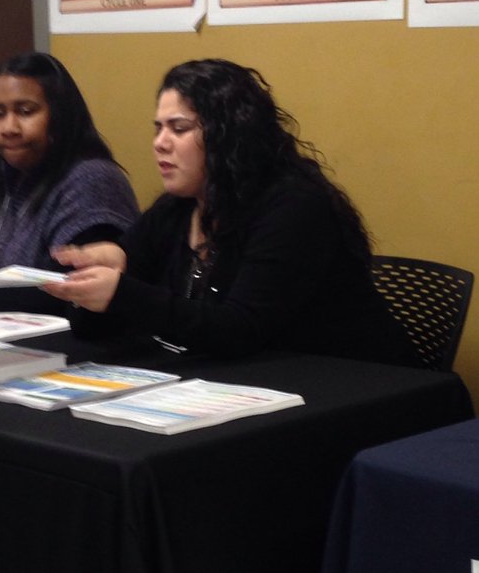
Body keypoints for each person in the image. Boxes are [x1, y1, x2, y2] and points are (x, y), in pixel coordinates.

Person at [45, 58, 419, 365]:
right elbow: (92, 331)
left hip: (350, 388)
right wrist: (100, 282)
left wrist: (124, 294)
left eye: (179, 128)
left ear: (228, 135)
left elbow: (240, 329)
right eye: (158, 128)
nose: (160, 143)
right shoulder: (174, 210)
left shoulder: (294, 206)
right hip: (249, 386)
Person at [0, 52, 139, 272]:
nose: (9, 127)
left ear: (60, 116)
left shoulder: (91, 180)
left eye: (25, 111)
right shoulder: (8, 178)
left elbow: (70, 293)